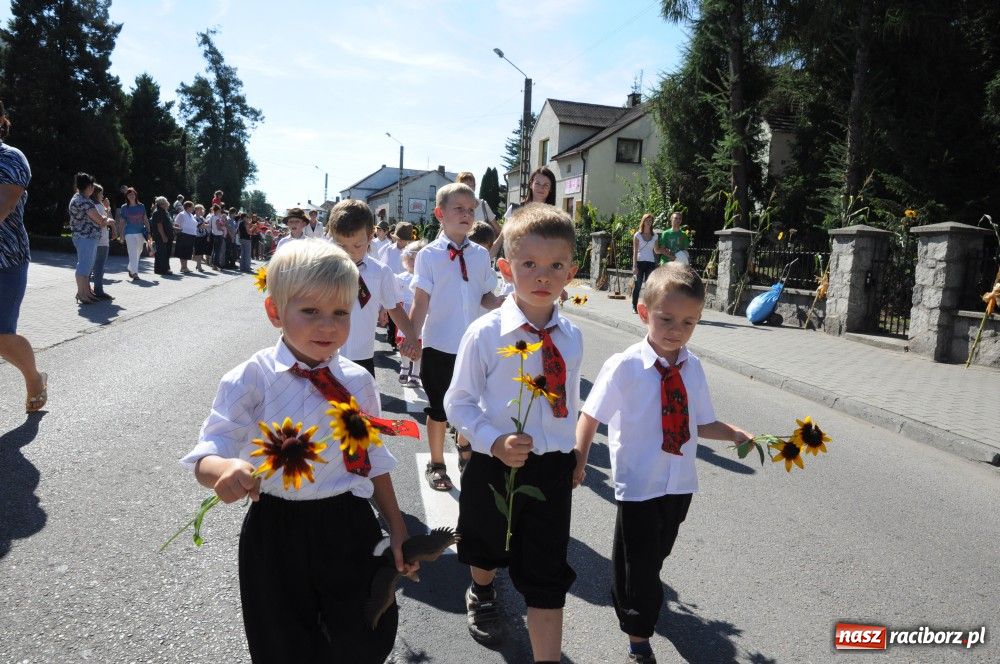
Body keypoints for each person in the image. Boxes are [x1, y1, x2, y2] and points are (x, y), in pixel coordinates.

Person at [180, 238, 416, 664]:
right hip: (276, 529)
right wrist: (223, 469)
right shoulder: (250, 379)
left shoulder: (358, 382)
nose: (328, 326)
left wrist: (397, 526)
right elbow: (208, 451)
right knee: (282, 641)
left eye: (340, 313)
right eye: (310, 311)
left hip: (348, 522)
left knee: (364, 632)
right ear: (275, 311)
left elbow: (371, 461)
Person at [575, 262, 753, 664]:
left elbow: (701, 422)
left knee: (655, 556)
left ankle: (631, 591)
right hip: (639, 484)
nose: (677, 330)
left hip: (678, 484)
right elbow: (591, 414)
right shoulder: (624, 366)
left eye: (689, 322)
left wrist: (733, 433)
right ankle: (638, 638)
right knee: (639, 564)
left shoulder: (694, 368)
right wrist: (579, 458)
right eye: (667, 319)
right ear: (643, 312)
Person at [444, 203, 582, 661]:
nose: (543, 276)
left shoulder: (572, 337)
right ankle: (482, 590)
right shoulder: (485, 333)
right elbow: (458, 402)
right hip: (494, 461)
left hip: (551, 469)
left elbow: (569, 402)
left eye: (556, 266)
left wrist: (573, 452)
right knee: (485, 544)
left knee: (547, 575)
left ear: (571, 273)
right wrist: (492, 441)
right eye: (529, 264)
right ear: (505, 269)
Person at [408, 182, 503, 491]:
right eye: (458, 209)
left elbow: (486, 296)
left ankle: (464, 447)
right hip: (439, 344)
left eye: (471, 210)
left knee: (471, 403)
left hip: (473, 347)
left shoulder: (480, 255)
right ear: (440, 214)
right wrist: (411, 336)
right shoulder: (428, 256)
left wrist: (506, 303)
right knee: (438, 408)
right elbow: (421, 301)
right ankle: (436, 463)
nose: (466, 215)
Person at [326, 199, 419, 377]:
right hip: (326, 355)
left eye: (357, 245)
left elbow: (394, 308)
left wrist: (411, 337)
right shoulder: (323, 269)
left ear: (370, 238)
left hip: (362, 357)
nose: (349, 252)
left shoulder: (381, 272)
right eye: (341, 245)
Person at [0, 100, 47, 412]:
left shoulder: (11, 158)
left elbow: (3, 206)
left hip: (6, 261)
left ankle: (34, 378)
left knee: (2, 337)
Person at [68, 172, 113, 303]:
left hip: (86, 237)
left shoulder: (80, 198)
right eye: (92, 186)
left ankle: (86, 293)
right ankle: (81, 294)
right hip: (85, 237)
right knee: (84, 266)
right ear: (88, 187)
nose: (93, 189)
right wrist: (107, 219)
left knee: (86, 266)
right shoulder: (83, 201)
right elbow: (100, 220)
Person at [394, 240, 425, 387]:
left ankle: (415, 373)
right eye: (410, 258)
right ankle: (404, 368)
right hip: (404, 315)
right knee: (404, 342)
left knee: (418, 344)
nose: (413, 262)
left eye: (417, 259)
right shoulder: (400, 278)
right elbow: (393, 297)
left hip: (421, 315)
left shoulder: (425, 278)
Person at [457, 171, 501, 257]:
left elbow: (498, 230)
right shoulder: (454, 208)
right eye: (466, 186)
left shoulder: (483, 205)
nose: (470, 189)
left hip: (483, 254)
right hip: (462, 255)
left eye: (472, 186)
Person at [118, 187, 151, 280]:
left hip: (140, 232)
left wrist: (149, 231)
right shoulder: (124, 207)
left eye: (132, 194)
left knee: (138, 251)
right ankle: (135, 273)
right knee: (132, 252)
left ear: (135, 195)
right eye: (129, 195)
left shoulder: (141, 206)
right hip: (129, 233)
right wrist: (121, 235)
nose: (131, 196)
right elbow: (122, 222)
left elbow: (145, 219)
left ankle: (130, 267)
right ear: (127, 196)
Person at [89, 184, 114, 300]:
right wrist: (108, 213)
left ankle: (88, 290)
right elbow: (103, 222)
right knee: (99, 267)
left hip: (94, 239)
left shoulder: (91, 205)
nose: (102, 196)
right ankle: (98, 291)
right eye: (101, 193)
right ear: (97, 194)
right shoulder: (98, 206)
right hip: (102, 240)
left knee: (92, 266)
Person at [631, 213, 658, 313]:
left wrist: (665, 251)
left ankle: (647, 307)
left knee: (649, 286)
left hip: (650, 263)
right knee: (637, 285)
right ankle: (634, 306)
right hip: (639, 262)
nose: (649, 222)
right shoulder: (637, 235)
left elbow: (656, 250)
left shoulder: (655, 236)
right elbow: (635, 251)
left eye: (650, 220)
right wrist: (634, 266)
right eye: (647, 220)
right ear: (643, 221)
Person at [150, 196, 175, 275]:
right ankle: (164, 269)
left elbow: (166, 224)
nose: (168, 203)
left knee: (162, 253)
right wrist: (164, 236)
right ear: (162, 204)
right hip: (161, 237)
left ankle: (158, 269)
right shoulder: (158, 212)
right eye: (166, 202)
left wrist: (174, 228)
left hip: (165, 236)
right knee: (163, 253)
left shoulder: (164, 212)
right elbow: (159, 225)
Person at [173, 200, 199, 274]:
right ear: (188, 207)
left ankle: (185, 267)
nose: (193, 208)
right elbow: (176, 224)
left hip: (191, 235)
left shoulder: (191, 215)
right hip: (183, 235)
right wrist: (178, 232)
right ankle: (183, 267)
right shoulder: (181, 214)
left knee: (187, 252)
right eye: (192, 207)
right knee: (183, 251)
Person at [207, 203, 227, 269]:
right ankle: (215, 265)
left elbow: (210, 226)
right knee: (217, 251)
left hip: (214, 234)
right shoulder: (217, 218)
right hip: (219, 235)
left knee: (214, 250)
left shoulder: (211, 217)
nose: (220, 212)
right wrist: (223, 230)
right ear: (218, 211)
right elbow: (218, 228)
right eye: (220, 211)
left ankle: (212, 264)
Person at [193, 204, 211, 271]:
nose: (202, 211)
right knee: (198, 252)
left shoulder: (201, 217)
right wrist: (206, 225)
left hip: (203, 236)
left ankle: (198, 265)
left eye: (202, 210)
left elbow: (206, 225)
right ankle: (199, 266)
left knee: (201, 252)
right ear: (196, 210)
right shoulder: (194, 217)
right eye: (200, 210)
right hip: (197, 236)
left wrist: (206, 225)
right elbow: (202, 226)